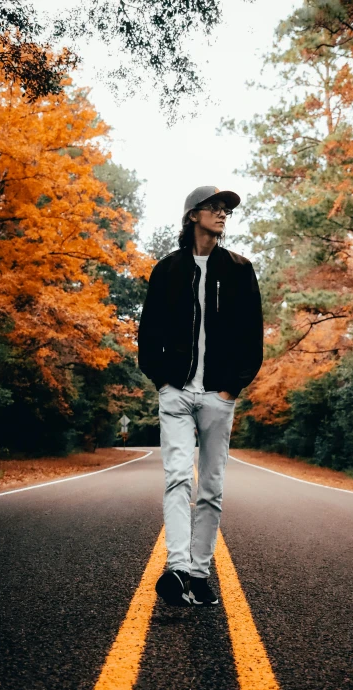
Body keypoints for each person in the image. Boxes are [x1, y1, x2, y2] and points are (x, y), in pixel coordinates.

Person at [137, 186, 263, 607]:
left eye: (226, 209)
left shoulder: (241, 270)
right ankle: (176, 568)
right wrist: (163, 381)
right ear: (193, 216)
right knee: (177, 477)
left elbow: (253, 338)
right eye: (214, 207)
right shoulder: (167, 270)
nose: (222, 213)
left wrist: (232, 386)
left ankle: (199, 572)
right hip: (175, 391)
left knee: (210, 487)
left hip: (218, 395)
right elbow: (147, 334)